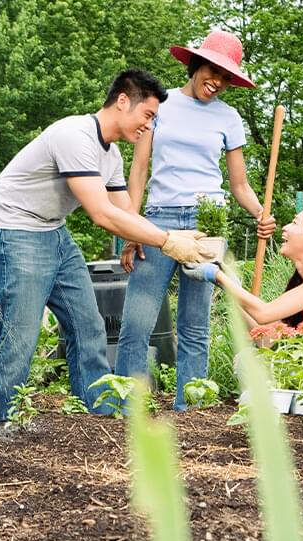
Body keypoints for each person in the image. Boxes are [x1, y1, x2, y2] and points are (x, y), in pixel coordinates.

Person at [0, 69, 212, 423]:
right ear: (122, 101)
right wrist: (167, 241)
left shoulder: (111, 157)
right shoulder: (75, 136)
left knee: (89, 326)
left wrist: (151, 238)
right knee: (20, 335)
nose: (149, 126)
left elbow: (124, 211)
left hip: (53, 231)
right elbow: (102, 214)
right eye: (147, 115)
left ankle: (99, 416)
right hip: (13, 229)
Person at [116, 30, 275, 410]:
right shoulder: (161, 106)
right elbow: (138, 171)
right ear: (195, 65)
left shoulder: (229, 117)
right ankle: (126, 406)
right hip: (160, 220)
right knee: (136, 322)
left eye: (225, 78)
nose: (216, 83)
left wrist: (261, 213)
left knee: (195, 326)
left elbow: (239, 184)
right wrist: (130, 228)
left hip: (209, 222)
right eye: (212, 72)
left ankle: (190, 409)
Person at [184, 205, 303, 420]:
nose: (284, 228)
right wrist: (231, 289)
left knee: (257, 400)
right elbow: (268, 335)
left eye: (294, 223)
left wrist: (219, 277)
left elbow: (264, 313)